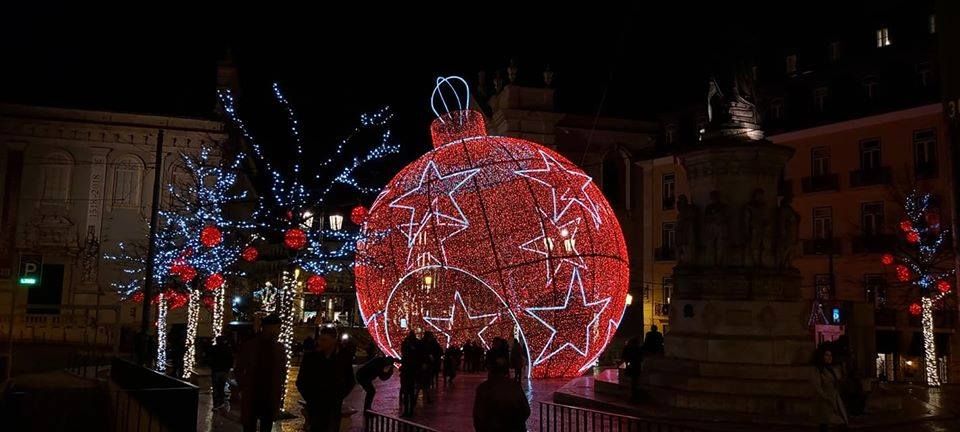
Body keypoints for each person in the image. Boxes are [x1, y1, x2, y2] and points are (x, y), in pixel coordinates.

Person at [297, 326, 356, 432]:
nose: (320, 342)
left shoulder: (343, 357)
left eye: (324, 340)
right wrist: (310, 398)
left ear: (334, 340)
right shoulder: (310, 357)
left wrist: (339, 396)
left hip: (333, 407)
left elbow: (350, 380)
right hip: (315, 406)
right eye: (320, 339)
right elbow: (301, 381)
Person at [236, 314, 286, 432]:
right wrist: (244, 386)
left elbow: (281, 373)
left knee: (264, 425)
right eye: (277, 328)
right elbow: (239, 369)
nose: (279, 331)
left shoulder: (279, 348)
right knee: (250, 426)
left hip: (268, 396)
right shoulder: (250, 346)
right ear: (269, 328)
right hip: (253, 394)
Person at [472, 357, 530, 431]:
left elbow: (478, 416)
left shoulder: (483, 388)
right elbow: (526, 410)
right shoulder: (515, 387)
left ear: (490, 371)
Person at [811, 345, 849, 431]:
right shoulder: (817, 370)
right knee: (825, 423)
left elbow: (839, 380)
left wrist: (843, 369)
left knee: (841, 422)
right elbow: (817, 386)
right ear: (822, 356)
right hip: (824, 400)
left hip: (834, 398)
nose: (829, 357)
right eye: (827, 355)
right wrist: (826, 397)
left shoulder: (833, 369)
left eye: (830, 355)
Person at [208, 336, 234, 409]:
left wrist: (212, 366)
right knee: (222, 386)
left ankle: (216, 404)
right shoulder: (227, 349)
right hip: (224, 370)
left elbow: (210, 359)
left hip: (216, 370)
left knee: (216, 387)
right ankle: (221, 402)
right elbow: (230, 359)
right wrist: (229, 367)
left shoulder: (214, 348)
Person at [399, 331, 420, 417]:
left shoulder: (407, 343)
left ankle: (408, 411)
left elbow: (403, 353)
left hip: (407, 371)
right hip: (411, 371)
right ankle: (409, 410)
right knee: (410, 392)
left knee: (407, 392)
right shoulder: (416, 344)